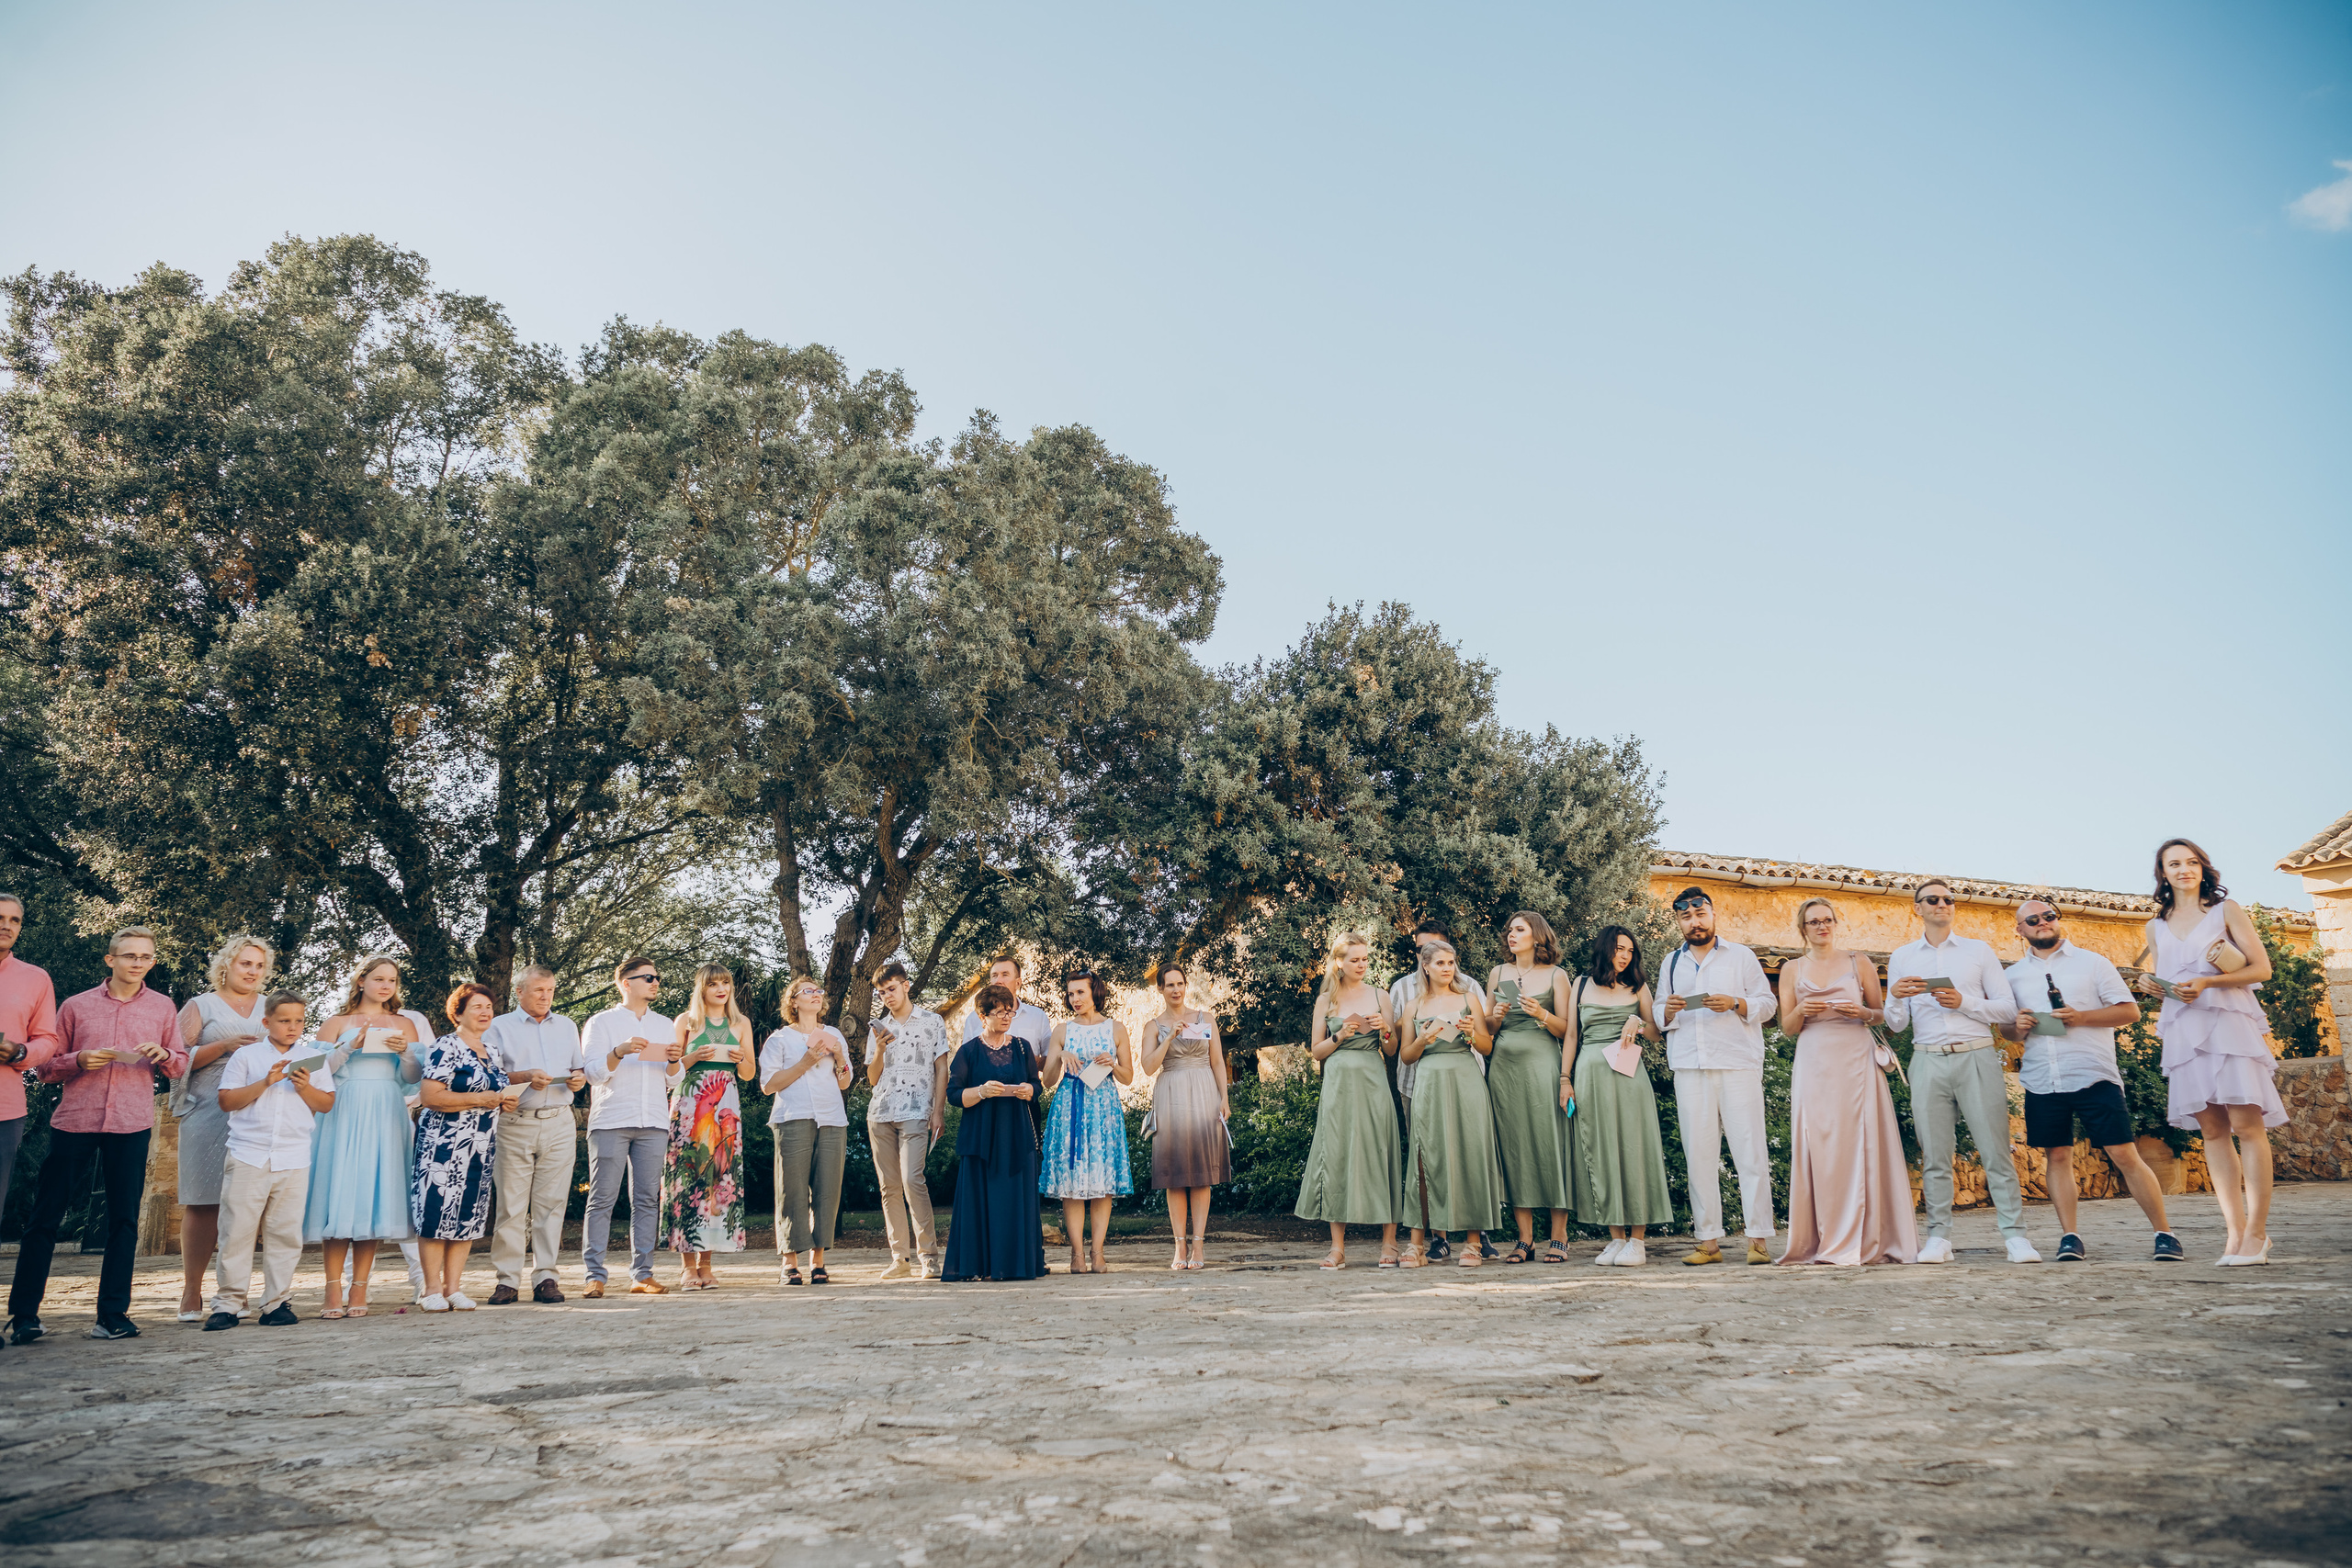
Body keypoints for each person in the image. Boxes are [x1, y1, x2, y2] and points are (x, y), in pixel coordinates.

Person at [6, 926, 185, 1344]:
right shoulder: (75, 1006)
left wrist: (166, 1056)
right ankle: (25, 1316)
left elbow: (179, 1065)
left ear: (152, 962)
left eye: (144, 957)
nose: (136, 963)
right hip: (75, 1121)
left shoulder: (162, 1008)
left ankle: (112, 1316)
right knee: (44, 1218)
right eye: (128, 956)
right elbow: (46, 1068)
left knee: (124, 1222)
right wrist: (79, 1060)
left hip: (131, 1123)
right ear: (110, 960)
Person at [2003, 897, 2184, 1263]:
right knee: (2057, 1156)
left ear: (2058, 920)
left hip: (2093, 1073)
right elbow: (2008, 1031)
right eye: (2033, 920)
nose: (2043, 923)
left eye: (2049, 916)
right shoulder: (2011, 977)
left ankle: (2165, 1234)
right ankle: (2070, 1237)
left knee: (2124, 1154)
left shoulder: (2093, 963)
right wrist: (2016, 1027)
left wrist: (2081, 1017)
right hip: (2042, 1079)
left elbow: (2129, 1011)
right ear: (2020, 930)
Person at [2139, 840, 2282, 1266]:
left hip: (2229, 1023)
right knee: (2213, 1132)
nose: (2185, 869)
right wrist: (2152, 985)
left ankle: (2257, 1234)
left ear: (2204, 868)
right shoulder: (2156, 926)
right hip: (2185, 1029)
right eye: (2174, 864)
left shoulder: (2226, 911)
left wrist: (2207, 983)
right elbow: (2169, 976)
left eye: (2192, 862)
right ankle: (2234, 1234)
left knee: (2246, 1125)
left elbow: (2261, 969)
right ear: (2162, 873)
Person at [1884, 879, 2037, 1264]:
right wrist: (1897, 998)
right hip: (1927, 1058)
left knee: (1996, 1150)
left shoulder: (1978, 951)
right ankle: (1939, 1238)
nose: (1942, 904)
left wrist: (1963, 1001)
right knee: (1935, 1155)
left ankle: (2016, 1237)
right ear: (1916, 908)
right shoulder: (1902, 956)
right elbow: (1897, 1024)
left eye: (1948, 899)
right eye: (1932, 900)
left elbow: (2005, 1009)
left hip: (1976, 1055)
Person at [1776, 899, 1917, 1267]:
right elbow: (1786, 1028)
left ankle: (1870, 1238)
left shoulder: (1860, 963)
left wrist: (1863, 1012)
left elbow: (1883, 1015)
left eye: (1827, 920)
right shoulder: (1791, 970)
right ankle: (1823, 1237)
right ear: (1802, 929)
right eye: (1813, 922)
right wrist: (1800, 1011)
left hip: (1855, 1058)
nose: (1822, 926)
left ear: (1836, 924)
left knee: (1863, 1141)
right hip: (1814, 1061)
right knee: (1820, 1144)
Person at [1654, 887, 1779, 1266]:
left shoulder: (1741, 956)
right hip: (1690, 1067)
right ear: (1679, 921)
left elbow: (1768, 1003)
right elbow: (1658, 1010)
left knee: (1750, 1152)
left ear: (1712, 914)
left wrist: (1736, 1003)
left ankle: (1758, 1241)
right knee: (1699, 1156)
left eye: (1700, 913)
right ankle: (1708, 1242)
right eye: (1686, 917)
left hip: (1737, 1063)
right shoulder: (1670, 963)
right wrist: (1669, 1011)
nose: (1694, 921)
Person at [303, 954, 425, 1317]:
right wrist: (348, 1047)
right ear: (361, 981)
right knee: (339, 1194)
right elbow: (315, 1071)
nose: (386, 986)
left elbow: (414, 1076)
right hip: (344, 1106)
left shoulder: (404, 1023)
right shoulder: (335, 1023)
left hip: (387, 1107)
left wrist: (405, 1053)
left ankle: (360, 1289)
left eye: (392, 980)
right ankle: (331, 1290)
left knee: (374, 1197)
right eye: (378, 979)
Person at [205, 992, 334, 1329]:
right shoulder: (247, 1056)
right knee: (236, 1230)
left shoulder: (312, 1058)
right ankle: (228, 1304)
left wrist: (304, 1087)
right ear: (267, 1022)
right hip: (249, 1152)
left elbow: (326, 1105)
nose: (293, 1027)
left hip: (293, 1155)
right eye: (284, 1020)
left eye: (299, 1021)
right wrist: (266, 1082)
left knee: (285, 1232)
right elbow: (227, 1101)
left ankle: (277, 1302)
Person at [168, 935, 276, 1321]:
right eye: (246, 963)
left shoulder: (271, 1007)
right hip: (207, 1111)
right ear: (227, 965)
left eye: (259, 965)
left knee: (248, 1204)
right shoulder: (201, 1005)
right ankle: (192, 1291)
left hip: (258, 1113)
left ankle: (235, 1292)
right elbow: (175, 1061)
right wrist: (224, 1046)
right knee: (202, 1202)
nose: (253, 971)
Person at [1293, 932, 1403, 1269]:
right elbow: (1316, 1051)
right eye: (1355, 959)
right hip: (1338, 1084)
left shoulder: (1380, 995)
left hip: (1373, 1081)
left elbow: (1392, 1048)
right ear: (1339, 962)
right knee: (1337, 1154)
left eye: (1365, 959)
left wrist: (1385, 1027)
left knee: (1380, 1151)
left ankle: (1389, 1242)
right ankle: (1338, 1247)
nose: (1361, 965)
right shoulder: (1326, 1000)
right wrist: (1339, 1035)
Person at [1568, 926, 1672, 1267]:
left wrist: (1637, 1022)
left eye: (1630, 949)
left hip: (1629, 1076)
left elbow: (1656, 1033)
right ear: (1604, 949)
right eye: (1619, 948)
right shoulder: (1580, 984)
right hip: (1589, 1074)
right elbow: (1571, 1034)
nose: (1625, 955)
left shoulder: (1638, 985)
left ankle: (1638, 1241)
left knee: (1634, 1148)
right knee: (1600, 1150)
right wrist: (1564, 1079)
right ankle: (1615, 1238)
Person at [482, 964, 585, 1305]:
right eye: (539, 990)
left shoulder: (568, 1026)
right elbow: (489, 1075)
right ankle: (507, 1280)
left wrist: (578, 1080)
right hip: (516, 1121)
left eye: (551, 990)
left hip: (559, 1120)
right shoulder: (498, 1027)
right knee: (511, 1205)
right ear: (520, 992)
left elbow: (578, 1069)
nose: (546, 996)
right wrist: (522, 1076)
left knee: (551, 1204)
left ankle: (546, 1277)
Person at [581, 955, 683, 1296]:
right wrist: (619, 1051)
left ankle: (642, 1274)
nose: (655, 982)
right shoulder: (600, 1022)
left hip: (653, 1120)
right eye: (648, 978)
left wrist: (673, 1061)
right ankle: (594, 1275)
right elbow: (593, 1074)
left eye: (657, 977)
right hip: (612, 1119)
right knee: (602, 1199)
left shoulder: (664, 1024)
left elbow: (674, 1079)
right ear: (626, 983)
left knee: (647, 1200)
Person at [412, 983, 517, 1310]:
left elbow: (492, 1093)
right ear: (457, 1012)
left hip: (480, 1147)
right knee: (435, 1214)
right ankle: (431, 1289)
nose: (485, 1012)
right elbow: (430, 1096)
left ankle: (453, 1287)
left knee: (467, 1216)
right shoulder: (446, 1046)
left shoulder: (493, 1051)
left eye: (489, 1007)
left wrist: (502, 1103)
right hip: (443, 1145)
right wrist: (478, 1099)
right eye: (477, 1007)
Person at [1388, 920, 1488, 1261]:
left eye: (1451, 962)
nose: (1448, 969)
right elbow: (1405, 1055)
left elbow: (1487, 1047)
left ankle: (1473, 1241)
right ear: (1426, 968)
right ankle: (1417, 1243)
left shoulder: (1470, 998)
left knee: (1469, 1152)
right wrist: (1422, 1039)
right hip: (1427, 1081)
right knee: (1423, 1155)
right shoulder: (1414, 1006)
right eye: (1441, 964)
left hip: (1465, 1077)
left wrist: (1473, 1032)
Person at [1482, 911, 1576, 1264]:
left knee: (1549, 1143)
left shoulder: (1556, 975)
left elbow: (1568, 1030)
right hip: (1504, 1070)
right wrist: (1498, 1016)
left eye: (1519, 929)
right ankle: (1525, 1239)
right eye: (1509, 930)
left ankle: (1559, 1235)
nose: (1511, 934)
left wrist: (1542, 1014)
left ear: (1537, 936)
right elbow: (1487, 1028)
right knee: (1515, 1147)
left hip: (1543, 1067)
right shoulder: (1498, 973)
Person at [940, 984, 1045, 1281]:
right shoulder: (968, 1051)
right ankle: (980, 1267)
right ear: (982, 1015)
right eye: (998, 1012)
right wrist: (982, 1091)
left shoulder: (1022, 1046)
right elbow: (954, 1094)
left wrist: (1029, 1090)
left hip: (1015, 1136)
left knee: (1013, 1202)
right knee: (981, 1203)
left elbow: (1036, 1085)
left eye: (1008, 1011)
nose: (1006, 1017)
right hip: (981, 1138)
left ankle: (1015, 1266)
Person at [664, 963, 756, 1288]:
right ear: (701, 988)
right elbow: (670, 1071)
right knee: (689, 1177)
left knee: (720, 1176)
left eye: (726, 983)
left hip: (726, 1102)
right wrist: (692, 1056)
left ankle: (707, 1264)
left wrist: (739, 1060)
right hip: (690, 1104)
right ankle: (687, 1265)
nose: (721, 989)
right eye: (713, 984)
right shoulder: (685, 1022)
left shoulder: (741, 1023)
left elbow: (749, 1074)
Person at [1040, 969, 1135, 1274]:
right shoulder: (1061, 1030)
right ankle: (1077, 1254)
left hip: (1103, 1109)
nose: (1075, 999)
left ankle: (1098, 1252)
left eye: (1080, 992)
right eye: (1070, 994)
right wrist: (1059, 1056)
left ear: (1095, 991)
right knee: (1071, 1184)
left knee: (1102, 1183)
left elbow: (1129, 1077)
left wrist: (1114, 1064)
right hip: (1070, 1107)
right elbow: (1048, 1081)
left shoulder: (1116, 1028)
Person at [865, 961, 954, 1280]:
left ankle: (929, 1257)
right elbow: (873, 1078)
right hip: (881, 1113)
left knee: (912, 1179)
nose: (887, 996)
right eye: (881, 992)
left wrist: (938, 1111)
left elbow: (942, 1069)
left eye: (891, 988)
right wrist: (878, 1050)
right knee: (889, 1187)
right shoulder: (878, 1027)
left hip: (917, 1111)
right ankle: (899, 1258)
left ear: (906, 985)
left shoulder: (932, 1022)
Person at [761, 976, 853, 1285]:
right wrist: (804, 1063)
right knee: (792, 1191)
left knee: (828, 1191)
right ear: (794, 1002)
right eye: (807, 992)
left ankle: (818, 1262)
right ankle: (790, 1262)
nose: (815, 995)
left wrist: (839, 1056)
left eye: (818, 992)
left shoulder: (834, 1034)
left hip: (831, 1119)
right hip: (793, 1117)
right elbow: (768, 1085)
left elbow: (845, 1082)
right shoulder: (779, 1039)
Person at [1142, 963, 1232, 1270]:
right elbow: (1148, 1067)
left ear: (1186, 985)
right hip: (1171, 1094)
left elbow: (1217, 1060)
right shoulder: (1153, 1026)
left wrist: (1224, 1098)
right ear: (1161, 989)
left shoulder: (1205, 1019)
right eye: (1170, 985)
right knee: (1175, 1172)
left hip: (1204, 1091)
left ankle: (1198, 1245)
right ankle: (1179, 1246)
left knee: (1203, 1173)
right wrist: (1169, 1038)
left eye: (1180, 983)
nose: (1176, 990)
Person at [0, 893, 62, 1328]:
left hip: (5, 1110)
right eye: (0, 918)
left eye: (15, 920)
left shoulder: (35, 978)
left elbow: (48, 1041)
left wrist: (19, 1050)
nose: (7, 925)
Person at [959, 954, 1052, 1046]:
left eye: (1005, 975)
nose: (998, 980)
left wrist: (1025, 1057)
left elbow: (1049, 1057)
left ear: (1018, 983)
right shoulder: (974, 1019)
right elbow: (967, 1057)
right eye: (994, 976)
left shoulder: (1038, 1017)